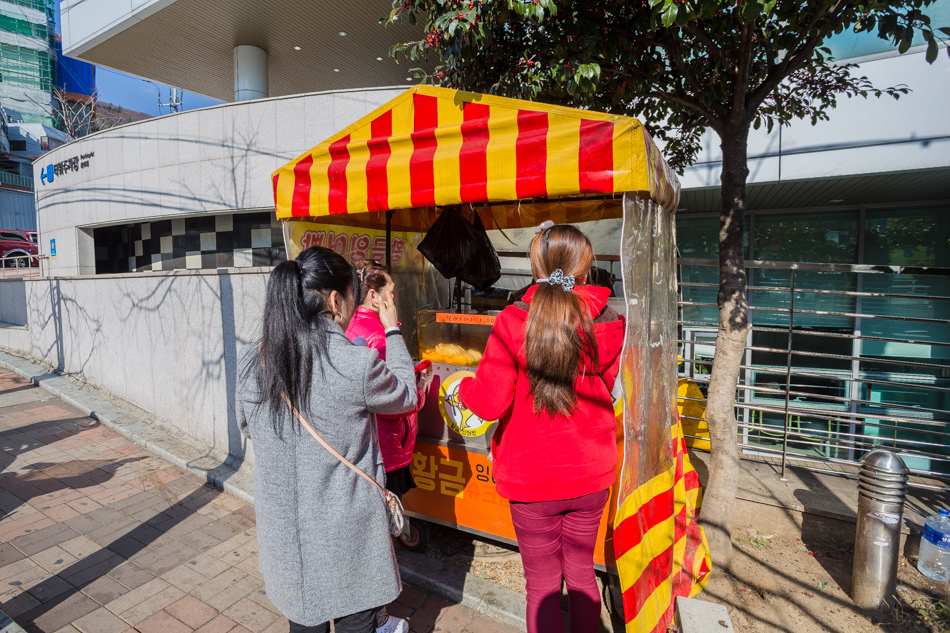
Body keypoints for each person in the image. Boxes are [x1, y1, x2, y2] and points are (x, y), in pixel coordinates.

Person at [237, 246, 418, 633]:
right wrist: (392, 329)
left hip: (286, 537)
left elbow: (249, 428)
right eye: (352, 296)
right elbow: (407, 395)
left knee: (303, 623)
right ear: (336, 300)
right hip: (347, 538)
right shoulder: (354, 363)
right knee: (357, 623)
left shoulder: (253, 363)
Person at [457, 224, 625, 633]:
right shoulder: (609, 322)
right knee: (584, 576)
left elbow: (490, 402)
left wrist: (464, 387)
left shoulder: (513, 321)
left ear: (535, 265)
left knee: (544, 585)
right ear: (585, 270)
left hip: (531, 479)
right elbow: (610, 387)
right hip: (591, 472)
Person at [345, 260, 431, 633]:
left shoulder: (347, 329)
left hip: (365, 447)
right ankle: (377, 617)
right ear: (374, 295)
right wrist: (420, 387)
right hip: (386, 447)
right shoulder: (378, 335)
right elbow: (398, 398)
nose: (395, 299)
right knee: (379, 538)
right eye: (392, 293)